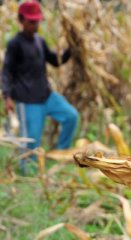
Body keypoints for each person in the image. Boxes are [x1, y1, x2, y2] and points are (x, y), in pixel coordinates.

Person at [1, 0, 79, 173]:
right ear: (21, 20)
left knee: (71, 116)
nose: (35, 25)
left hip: (47, 96)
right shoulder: (15, 44)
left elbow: (55, 61)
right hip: (28, 101)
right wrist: (7, 97)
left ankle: (60, 154)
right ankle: (28, 173)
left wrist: (72, 48)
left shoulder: (39, 41)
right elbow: (7, 72)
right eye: (31, 21)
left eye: (37, 20)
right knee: (31, 142)